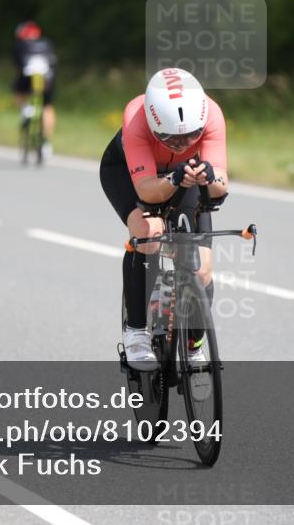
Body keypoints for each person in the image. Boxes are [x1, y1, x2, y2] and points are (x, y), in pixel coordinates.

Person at [98, 68, 228, 372]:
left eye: (191, 136)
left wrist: (209, 176)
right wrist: (173, 178)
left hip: (184, 177)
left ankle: (194, 345)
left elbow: (221, 185)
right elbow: (147, 191)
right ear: (154, 124)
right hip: (130, 175)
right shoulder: (135, 117)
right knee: (148, 232)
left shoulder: (212, 115)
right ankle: (136, 333)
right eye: (170, 137)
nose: (182, 144)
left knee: (202, 270)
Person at [12, 21, 57, 157]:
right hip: (46, 78)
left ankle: (26, 111)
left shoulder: (19, 45)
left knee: (18, 91)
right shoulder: (47, 43)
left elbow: (17, 65)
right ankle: (46, 143)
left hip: (28, 76)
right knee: (47, 107)